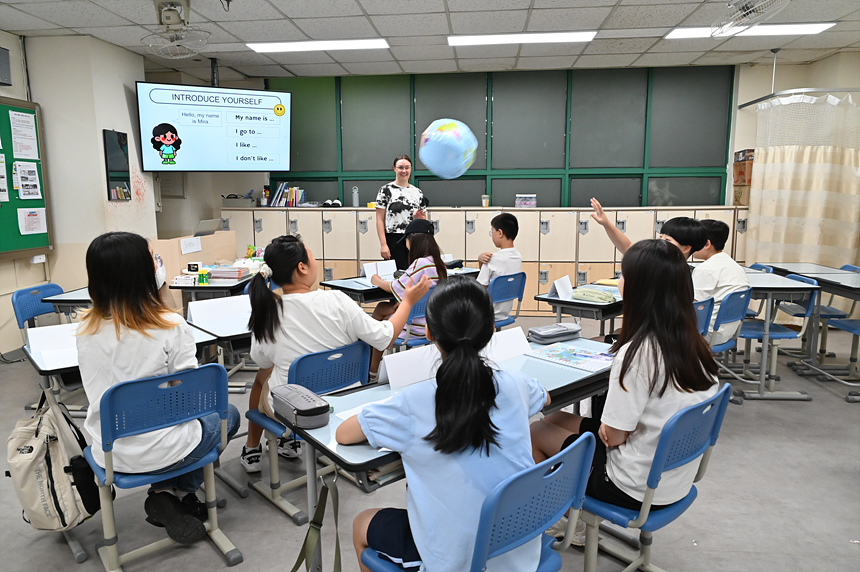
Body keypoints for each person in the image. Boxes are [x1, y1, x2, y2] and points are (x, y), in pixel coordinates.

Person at [337, 277, 550, 572]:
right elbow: (546, 397)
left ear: (428, 333)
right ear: (491, 331)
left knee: (362, 523)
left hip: (454, 560)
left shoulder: (412, 402)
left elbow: (343, 434)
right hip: (518, 545)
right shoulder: (515, 383)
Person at [530, 239, 718, 545]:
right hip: (674, 476)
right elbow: (616, 432)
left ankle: (570, 523)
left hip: (632, 485)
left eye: (623, 275)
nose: (619, 281)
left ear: (639, 289)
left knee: (535, 433)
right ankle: (571, 517)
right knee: (550, 419)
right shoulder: (697, 345)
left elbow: (614, 438)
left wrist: (613, 430)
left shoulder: (638, 354)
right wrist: (613, 430)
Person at [76, 231, 241, 545]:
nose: (159, 265)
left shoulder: (84, 331)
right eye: (154, 259)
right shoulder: (169, 326)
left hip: (111, 454)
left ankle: (165, 493)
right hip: (167, 449)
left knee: (178, 425)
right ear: (143, 274)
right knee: (228, 415)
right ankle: (177, 492)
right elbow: (194, 400)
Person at [241, 235, 430, 472]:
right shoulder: (337, 300)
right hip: (343, 402)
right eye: (311, 255)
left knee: (262, 376)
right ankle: (287, 443)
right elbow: (384, 337)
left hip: (298, 412)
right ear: (302, 267)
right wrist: (408, 302)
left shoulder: (269, 314)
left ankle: (251, 448)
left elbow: (261, 359)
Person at [368, 219, 447, 378]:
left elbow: (395, 287)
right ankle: (373, 367)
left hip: (414, 328)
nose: (405, 244)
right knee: (382, 308)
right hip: (431, 323)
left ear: (413, 240)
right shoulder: (438, 263)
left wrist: (375, 279)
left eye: (406, 240)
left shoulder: (420, 263)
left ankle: (372, 370)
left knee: (380, 328)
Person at [692, 219, 750, 345]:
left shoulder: (705, 269)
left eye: (693, 240)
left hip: (705, 332)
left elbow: (696, 307)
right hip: (727, 331)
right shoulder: (732, 264)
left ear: (707, 244)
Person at [590, 197, 707, 257]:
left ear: (686, 248)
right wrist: (606, 223)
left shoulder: (663, 269)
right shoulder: (676, 268)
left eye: (667, 240)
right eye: (661, 237)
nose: (661, 242)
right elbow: (629, 248)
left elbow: (629, 250)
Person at [375, 154, 428, 270]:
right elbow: (380, 219)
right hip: (393, 239)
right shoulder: (386, 190)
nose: (404, 171)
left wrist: (418, 218)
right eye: (400, 167)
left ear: (411, 169)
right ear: (394, 168)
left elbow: (424, 221)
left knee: (414, 274)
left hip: (413, 239)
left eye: (407, 167)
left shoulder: (417, 192)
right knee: (396, 276)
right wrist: (383, 244)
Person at [477, 212, 523, 323]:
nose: (492, 235)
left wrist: (479, 259)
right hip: (504, 313)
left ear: (500, 233)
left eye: (492, 231)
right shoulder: (518, 257)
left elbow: (478, 288)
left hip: (487, 313)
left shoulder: (492, 259)